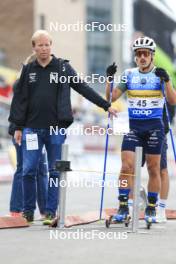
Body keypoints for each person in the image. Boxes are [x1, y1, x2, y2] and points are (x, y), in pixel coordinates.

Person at [9, 30, 117, 224]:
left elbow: (83, 88)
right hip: (31, 129)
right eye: (39, 45)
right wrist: (18, 127)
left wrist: (105, 105)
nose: (43, 48)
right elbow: (20, 99)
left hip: (56, 129)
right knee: (28, 170)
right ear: (33, 48)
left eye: (47, 44)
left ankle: (50, 212)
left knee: (55, 171)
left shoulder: (63, 68)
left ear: (51, 45)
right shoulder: (28, 70)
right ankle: (27, 212)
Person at [105, 36, 176, 223]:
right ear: (135, 57)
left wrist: (167, 81)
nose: (142, 57)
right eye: (139, 54)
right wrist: (109, 79)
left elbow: (172, 100)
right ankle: (123, 207)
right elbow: (110, 99)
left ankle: (152, 208)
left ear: (152, 56)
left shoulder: (159, 74)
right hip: (134, 129)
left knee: (154, 168)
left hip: (155, 129)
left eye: (146, 54)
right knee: (126, 166)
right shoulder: (129, 74)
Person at [8, 54, 48, 219]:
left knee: (35, 170)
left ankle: (41, 210)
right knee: (27, 169)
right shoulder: (24, 83)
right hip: (25, 132)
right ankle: (21, 209)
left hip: (32, 131)